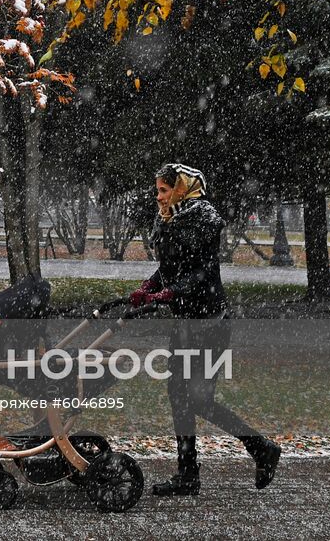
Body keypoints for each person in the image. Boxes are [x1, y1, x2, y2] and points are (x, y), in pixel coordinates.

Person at [129, 163, 281, 497]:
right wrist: (149, 285)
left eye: (164, 191)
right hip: (184, 322)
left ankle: (260, 448)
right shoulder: (170, 218)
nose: (159, 197)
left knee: (198, 398)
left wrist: (171, 292)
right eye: (157, 191)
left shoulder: (205, 221)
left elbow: (202, 272)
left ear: (182, 188)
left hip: (209, 323)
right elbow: (170, 266)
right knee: (179, 396)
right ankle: (188, 473)